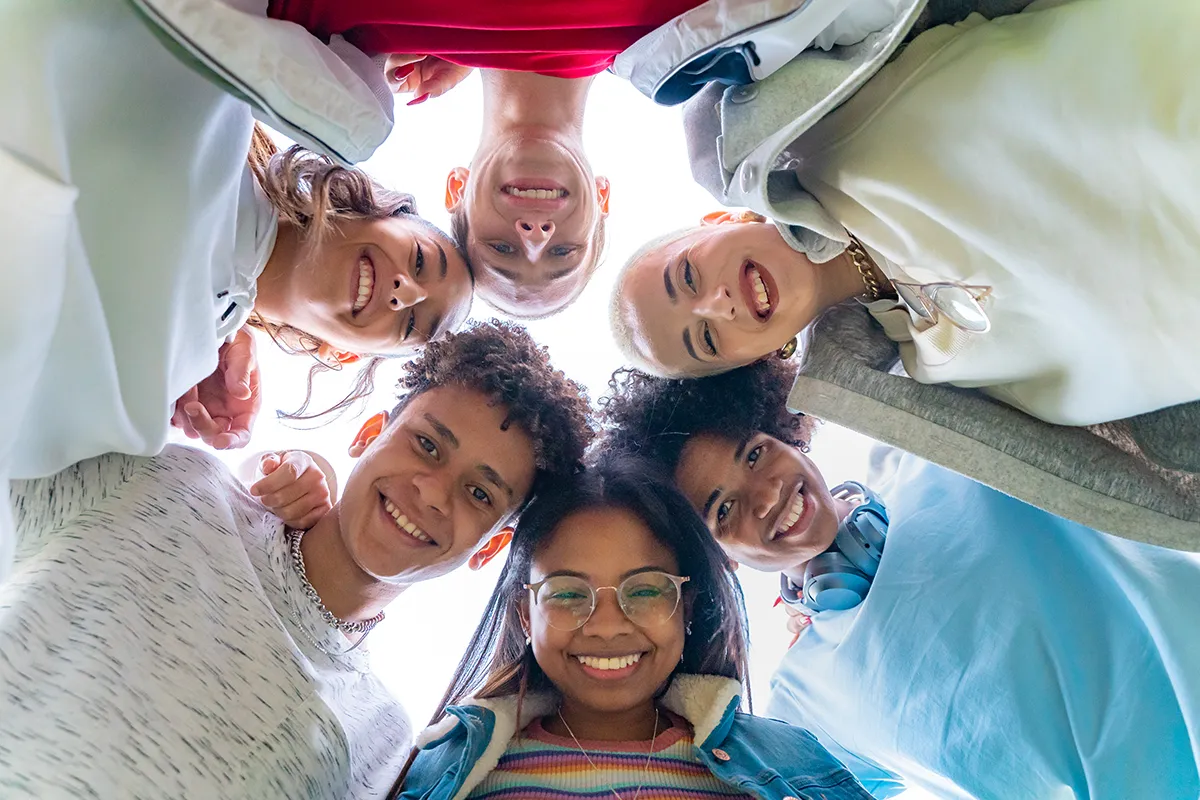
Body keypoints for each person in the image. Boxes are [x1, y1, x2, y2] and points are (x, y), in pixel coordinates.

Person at [0, 321, 594, 799]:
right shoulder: (169, 476)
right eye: (427, 444)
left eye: (480, 493)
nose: (434, 492)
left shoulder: (384, 740)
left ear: (488, 547)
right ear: (367, 434)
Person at [0, 0, 475, 577]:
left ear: (349, 353)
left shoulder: (174, 383)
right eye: (421, 261)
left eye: (410, 324)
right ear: (374, 209)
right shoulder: (222, 98)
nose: (405, 294)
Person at [600, 360, 1200, 798]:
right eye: (722, 510)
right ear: (718, 559)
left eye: (755, 454)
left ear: (785, 430)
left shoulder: (928, 444)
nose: (764, 495)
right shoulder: (803, 699)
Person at [610, 0, 1200, 427]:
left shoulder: (836, 119)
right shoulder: (940, 371)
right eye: (707, 338)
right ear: (759, 356)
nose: (719, 303)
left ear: (719, 222)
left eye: (687, 277)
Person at [392, 457, 875, 799]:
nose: (606, 627)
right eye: (566, 592)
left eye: (644, 590)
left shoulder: (788, 761)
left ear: (687, 607)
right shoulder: (450, 772)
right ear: (524, 613)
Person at [266, 0, 712, 318]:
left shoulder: (350, 27)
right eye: (563, 251)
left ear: (456, 189)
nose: (534, 235)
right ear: (602, 195)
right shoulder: (680, 29)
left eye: (502, 248)